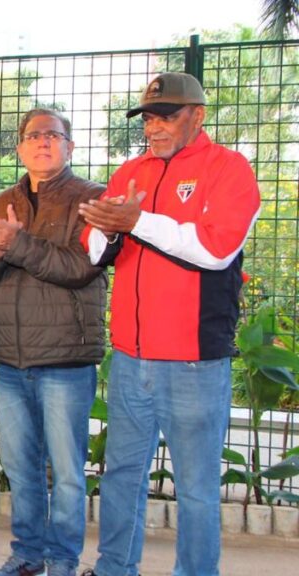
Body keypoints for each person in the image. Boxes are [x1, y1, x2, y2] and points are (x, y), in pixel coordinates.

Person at [77, 72, 260, 576]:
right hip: (133, 357)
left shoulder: (229, 169)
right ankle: (116, 567)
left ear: (197, 116)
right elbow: (94, 249)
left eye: (167, 116)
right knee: (122, 476)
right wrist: (106, 229)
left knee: (197, 487)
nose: (155, 128)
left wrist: (134, 222)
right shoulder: (130, 171)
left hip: (194, 360)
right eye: (149, 118)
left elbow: (216, 248)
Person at [0, 109, 107, 576]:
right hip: (10, 360)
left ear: (70, 146)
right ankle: (27, 555)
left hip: (66, 359)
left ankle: (63, 561)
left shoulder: (93, 199)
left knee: (67, 475)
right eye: (34, 135)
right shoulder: (2, 200)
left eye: (54, 134)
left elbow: (80, 268)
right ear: (20, 148)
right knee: (21, 469)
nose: (43, 141)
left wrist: (19, 244)